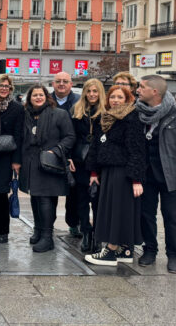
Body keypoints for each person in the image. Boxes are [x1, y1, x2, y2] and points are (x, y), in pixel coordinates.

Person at [136, 75, 176, 273]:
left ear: (155, 92)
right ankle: (150, 250)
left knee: (172, 216)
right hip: (146, 176)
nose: (137, 90)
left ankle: (173, 254)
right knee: (146, 215)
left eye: (142, 87)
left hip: (172, 176)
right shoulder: (137, 113)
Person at [84, 86, 145, 266]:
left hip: (123, 172)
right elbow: (96, 145)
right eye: (113, 97)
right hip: (108, 171)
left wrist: (136, 179)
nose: (115, 100)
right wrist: (94, 171)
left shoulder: (131, 119)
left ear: (128, 99)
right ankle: (123, 249)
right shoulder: (106, 117)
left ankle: (110, 251)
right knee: (114, 209)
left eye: (120, 97)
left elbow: (136, 150)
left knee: (118, 211)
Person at [20, 84, 75, 253]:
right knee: (35, 198)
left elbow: (70, 137)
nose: (38, 97)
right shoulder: (26, 115)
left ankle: (47, 237)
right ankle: (38, 230)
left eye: (40, 95)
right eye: (34, 95)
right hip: (31, 162)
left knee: (45, 199)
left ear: (46, 97)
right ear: (29, 99)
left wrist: (56, 150)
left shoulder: (59, 114)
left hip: (49, 162)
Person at [0, 75, 24, 244]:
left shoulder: (16, 108)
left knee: (0, 193)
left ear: (10, 89)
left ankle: (3, 230)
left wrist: (16, 160)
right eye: (0, 85)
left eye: (7, 86)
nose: (3, 88)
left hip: (5, 157)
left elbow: (19, 135)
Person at [68, 78, 106, 253]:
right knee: (82, 200)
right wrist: (68, 158)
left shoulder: (107, 112)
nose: (92, 94)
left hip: (100, 162)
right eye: (89, 91)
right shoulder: (76, 110)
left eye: (95, 91)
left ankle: (98, 234)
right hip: (80, 162)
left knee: (98, 201)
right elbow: (70, 136)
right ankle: (86, 232)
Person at [50, 71, 81, 238]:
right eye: (58, 81)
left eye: (65, 81)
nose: (61, 84)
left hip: (73, 154)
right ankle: (46, 225)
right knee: (49, 191)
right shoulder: (46, 100)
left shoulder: (79, 101)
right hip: (51, 152)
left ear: (71, 84)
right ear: (53, 84)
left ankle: (73, 223)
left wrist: (72, 155)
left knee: (74, 192)